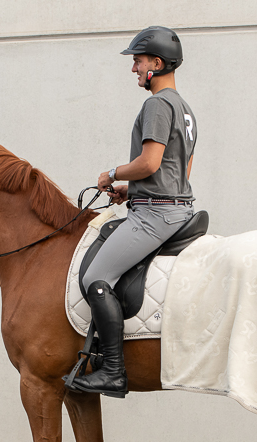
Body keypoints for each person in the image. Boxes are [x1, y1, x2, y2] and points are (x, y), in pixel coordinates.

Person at [70, 25, 197, 398]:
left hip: (157, 216)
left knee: (96, 276)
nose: (134, 69)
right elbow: (181, 170)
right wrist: (132, 190)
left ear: (156, 64)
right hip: (175, 206)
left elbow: (151, 161)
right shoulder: (185, 109)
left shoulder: (156, 104)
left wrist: (112, 175)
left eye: (138, 62)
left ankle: (112, 371)